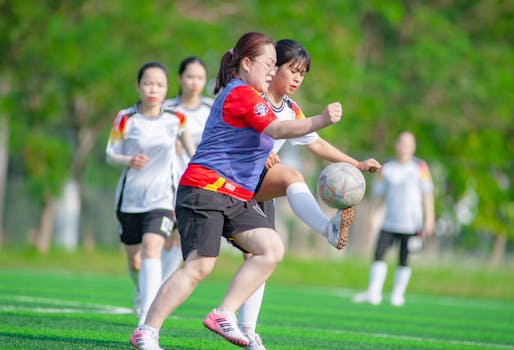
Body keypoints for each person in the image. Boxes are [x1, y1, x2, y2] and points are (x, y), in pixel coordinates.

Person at [129, 31, 343, 350]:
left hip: (236, 196)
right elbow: (278, 129)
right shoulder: (240, 93)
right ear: (246, 63)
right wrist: (321, 119)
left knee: (270, 248)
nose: (272, 72)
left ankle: (223, 313)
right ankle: (146, 331)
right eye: (268, 65)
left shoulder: (256, 97)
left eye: (275, 66)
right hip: (204, 189)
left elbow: (282, 129)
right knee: (200, 265)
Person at [235, 39, 381, 350]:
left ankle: (248, 331)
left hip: (257, 188)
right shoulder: (250, 96)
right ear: (272, 68)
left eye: (304, 73)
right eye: (293, 70)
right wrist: (261, 155)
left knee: (259, 258)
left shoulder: (291, 110)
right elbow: (232, 135)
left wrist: (355, 163)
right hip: (228, 183)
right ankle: (327, 228)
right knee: (291, 175)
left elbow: (316, 144)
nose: (299, 78)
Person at [105, 61, 195, 326]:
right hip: (130, 199)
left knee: (152, 247)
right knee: (135, 262)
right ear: (138, 86)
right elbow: (110, 153)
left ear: (167, 88)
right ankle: (140, 291)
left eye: (159, 84)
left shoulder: (175, 119)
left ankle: (147, 319)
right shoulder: (125, 117)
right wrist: (128, 160)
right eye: (148, 83)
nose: (153, 89)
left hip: (163, 199)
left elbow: (191, 151)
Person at [352, 131, 435, 306]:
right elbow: (379, 196)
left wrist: (430, 219)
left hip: (412, 223)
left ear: (413, 147)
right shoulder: (387, 168)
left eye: (408, 143)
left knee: (404, 258)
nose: (404, 147)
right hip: (389, 221)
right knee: (379, 253)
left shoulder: (420, 167)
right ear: (396, 145)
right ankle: (373, 292)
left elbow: (427, 194)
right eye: (401, 143)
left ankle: (398, 294)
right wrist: (374, 216)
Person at [161, 57, 214, 283]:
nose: (195, 82)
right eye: (190, 77)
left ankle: (156, 291)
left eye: (200, 78)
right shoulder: (166, 109)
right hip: (166, 182)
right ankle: (150, 289)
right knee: (158, 240)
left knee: (181, 237)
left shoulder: (211, 108)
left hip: (197, 183)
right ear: (180, 78)